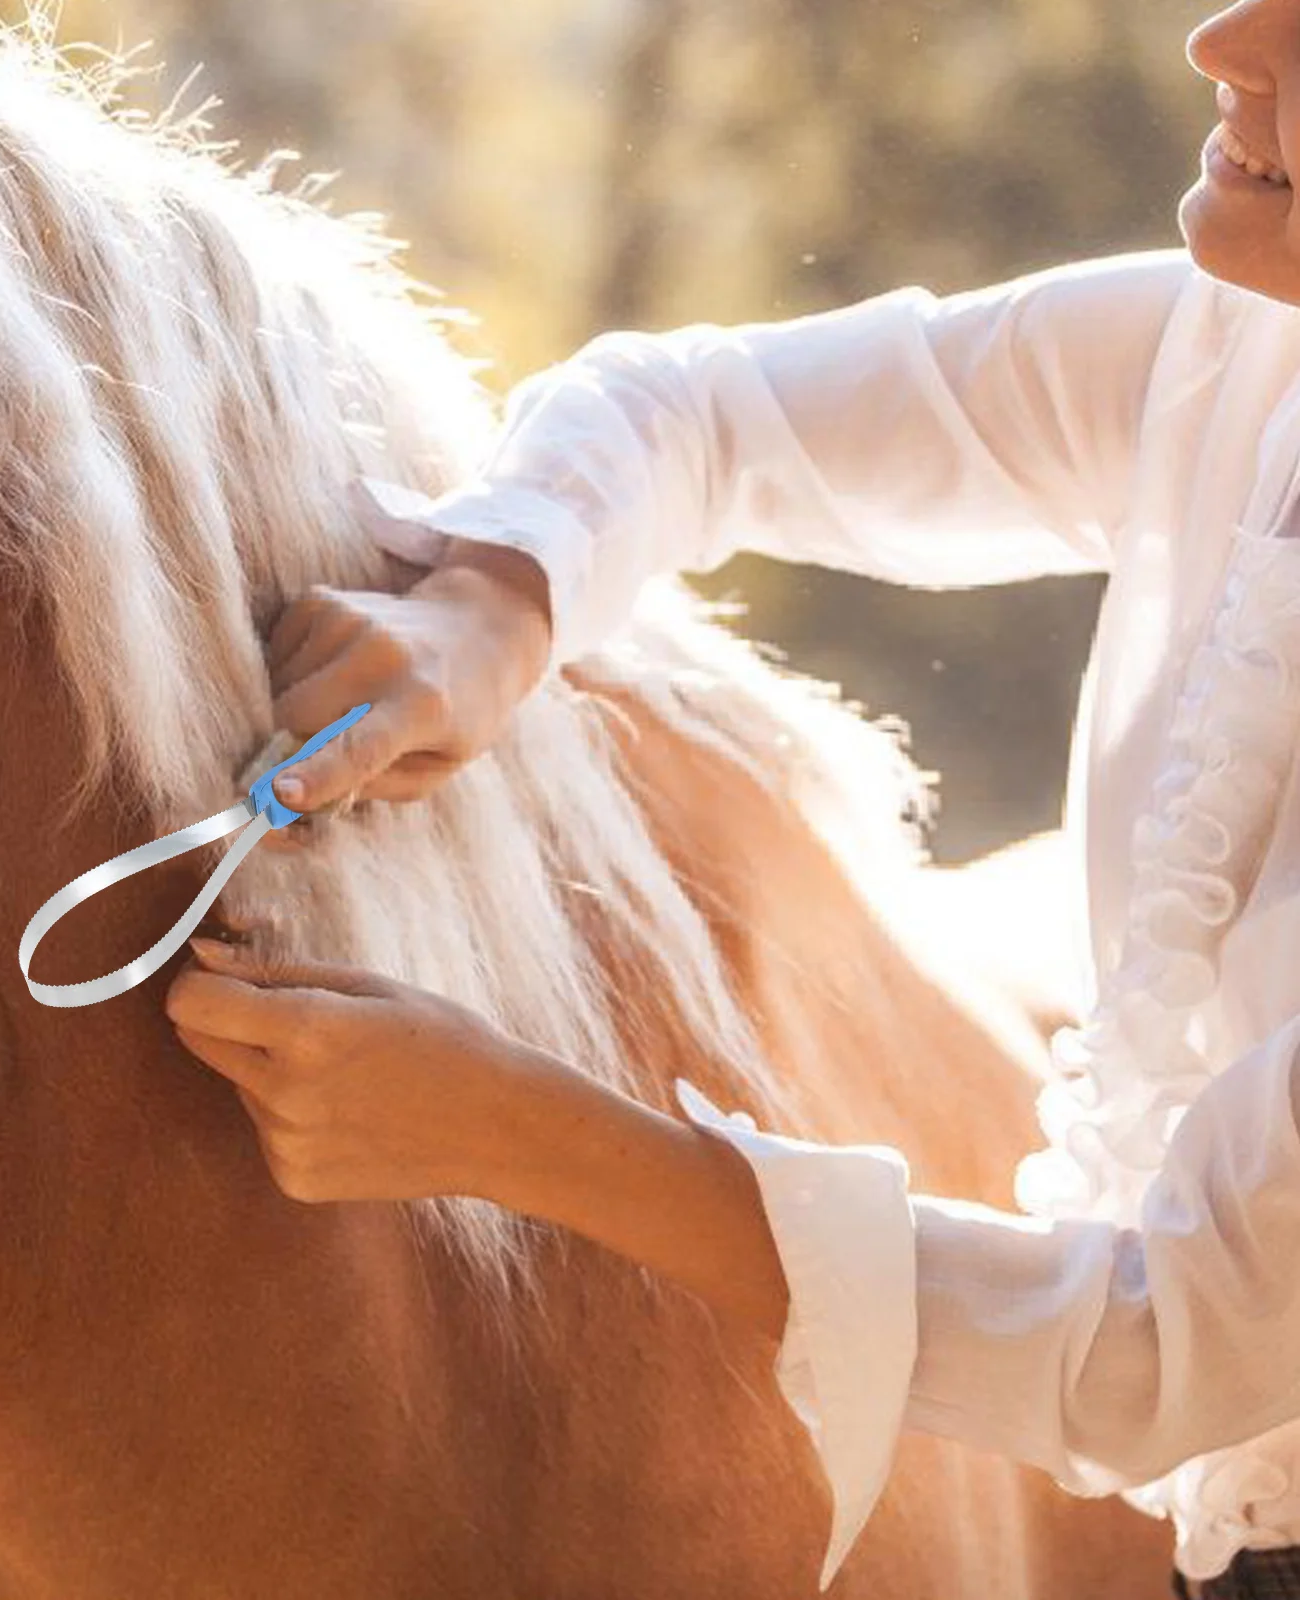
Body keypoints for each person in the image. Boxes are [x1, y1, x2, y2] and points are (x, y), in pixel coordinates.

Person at [164, 3, 1300, 1595]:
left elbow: (1146, 1357)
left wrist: (518, 1133)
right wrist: (495, 607)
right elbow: (704, 414)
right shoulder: (1235, 350)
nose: (1223, 42)